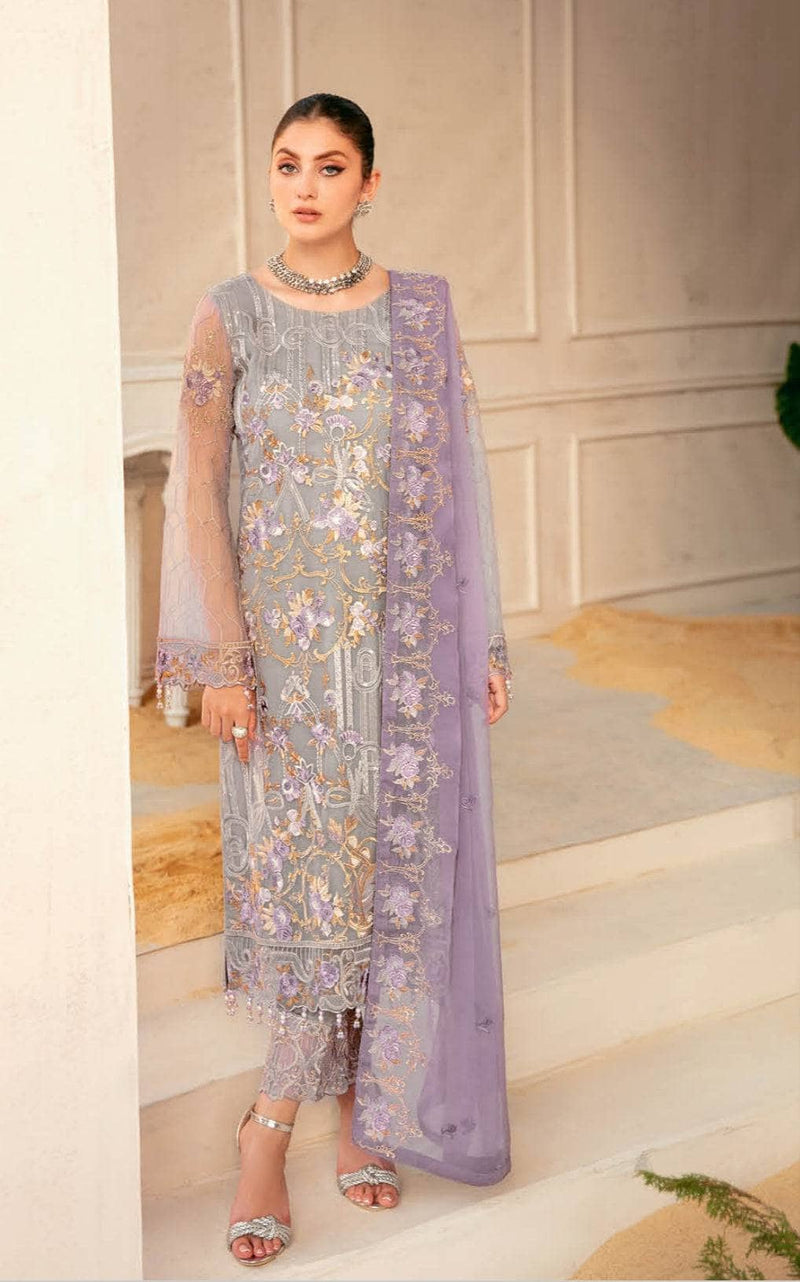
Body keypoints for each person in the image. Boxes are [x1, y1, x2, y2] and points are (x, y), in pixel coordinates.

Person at [155, 91, 513, 1268]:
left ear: (369, 183)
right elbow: (198, 493)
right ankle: (268, 1126)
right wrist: (223, 658)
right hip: (282, 660)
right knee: (305, 883)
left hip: (399, 652)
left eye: (329, 166)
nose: (304, 186)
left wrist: (481, 642)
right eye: (286, 164)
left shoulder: (419, 315)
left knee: (380, 878)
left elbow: (461, 479)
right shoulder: (228, 315)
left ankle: (364, 1102)